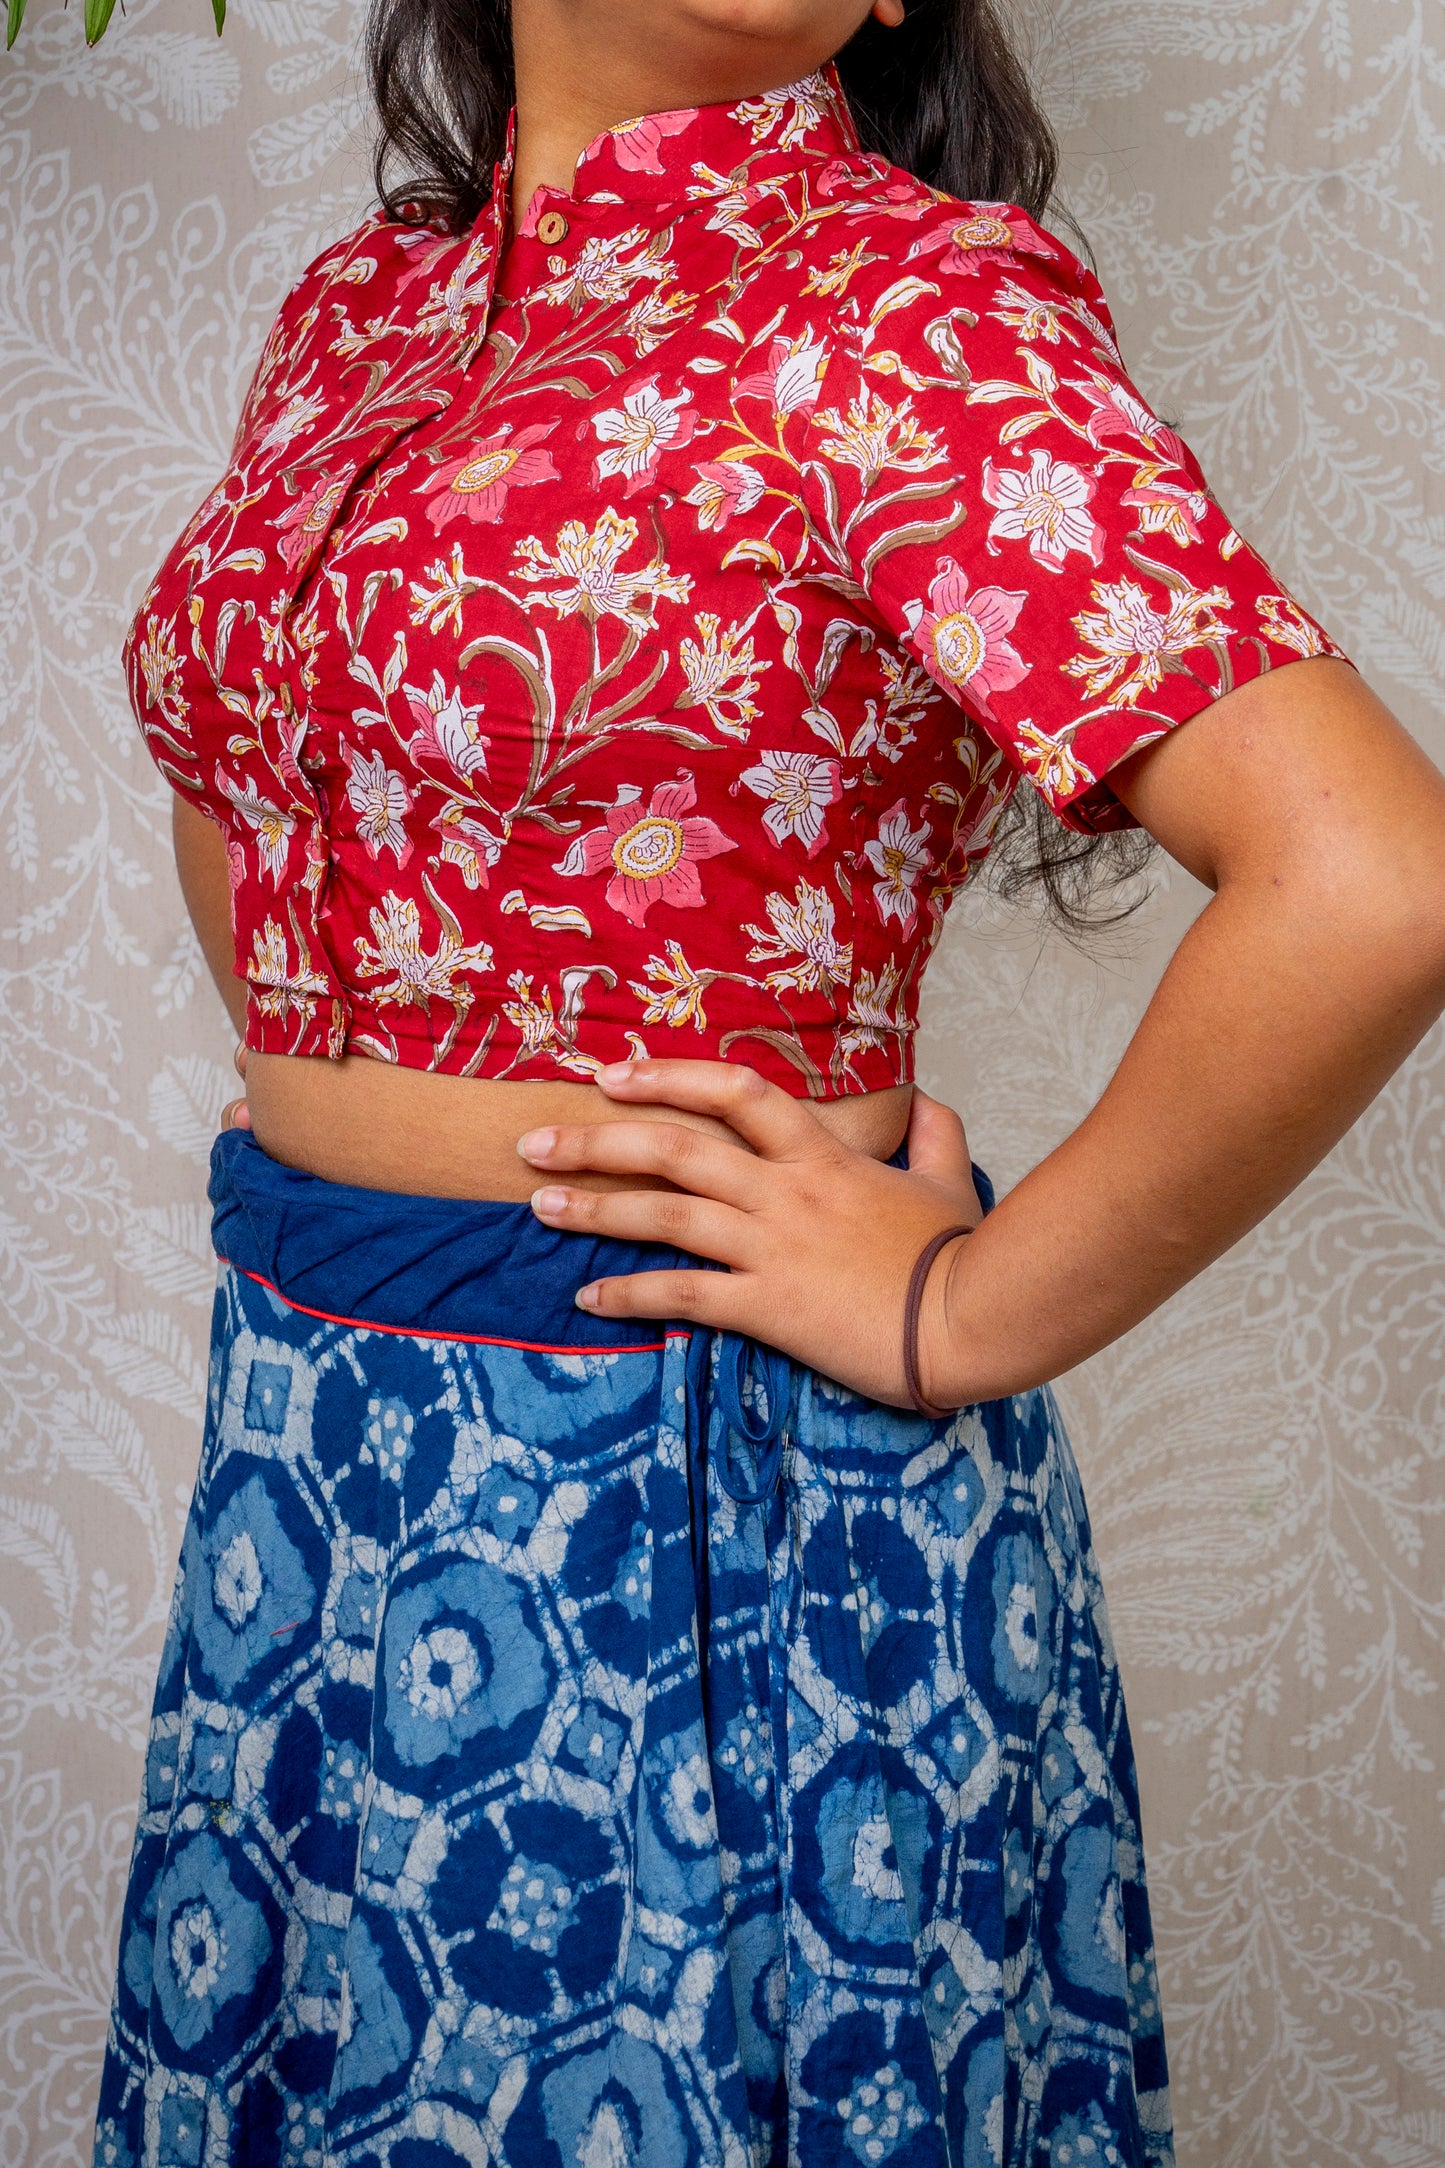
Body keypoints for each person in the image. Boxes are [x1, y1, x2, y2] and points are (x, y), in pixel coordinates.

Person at [92, 0, 1445, 2157]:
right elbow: (239, 766)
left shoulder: (903, 306)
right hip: (314, 1464)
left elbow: (1370, 873)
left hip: (679, 1485)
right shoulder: (361, 311)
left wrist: (955, 1309)